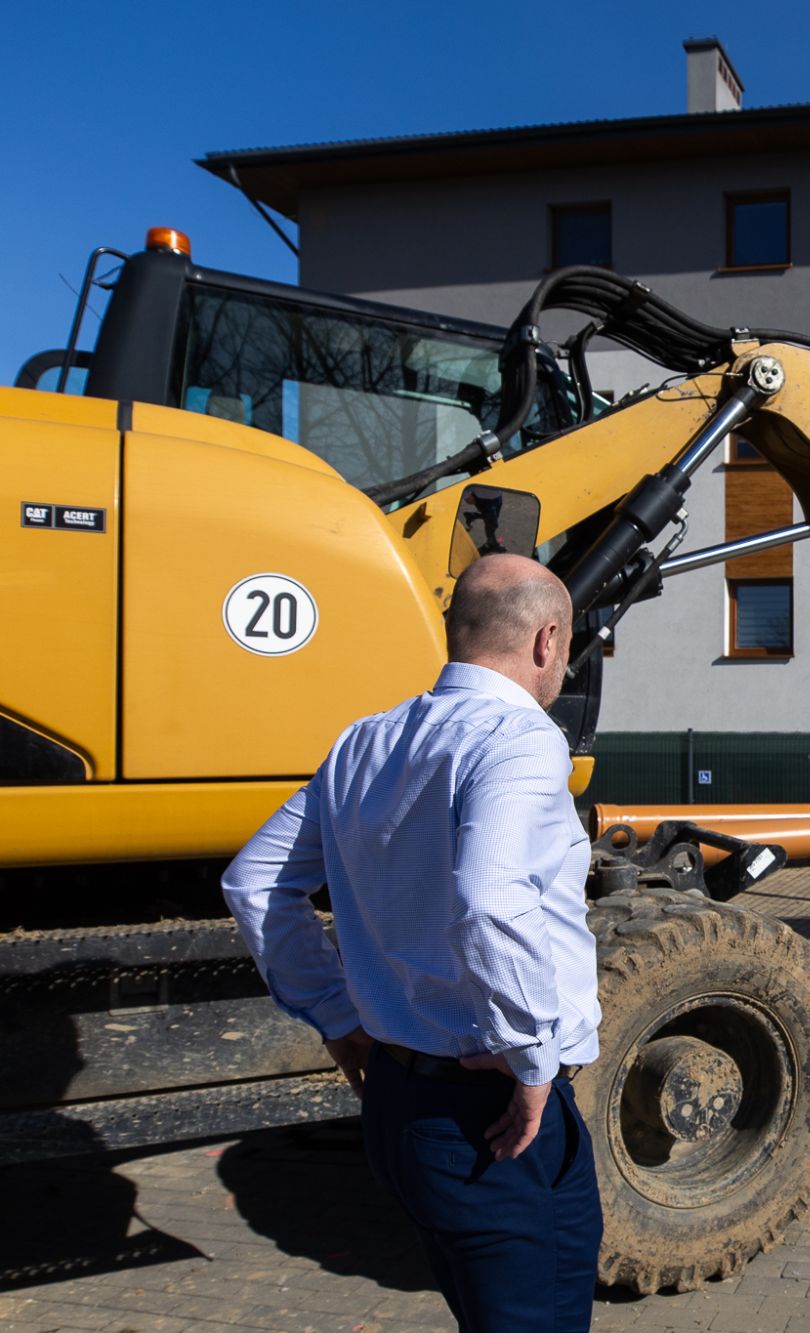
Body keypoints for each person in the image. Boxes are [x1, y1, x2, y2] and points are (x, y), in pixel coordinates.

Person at [223, 554, 602, 1332]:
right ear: (546, 639)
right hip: (493, 1115)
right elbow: (491, 903)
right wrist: (532, 1056)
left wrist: (335, 1013)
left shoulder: (365, 741)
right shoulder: (521, 739)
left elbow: (256, 880)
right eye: (567, 648)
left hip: (403, 1102)